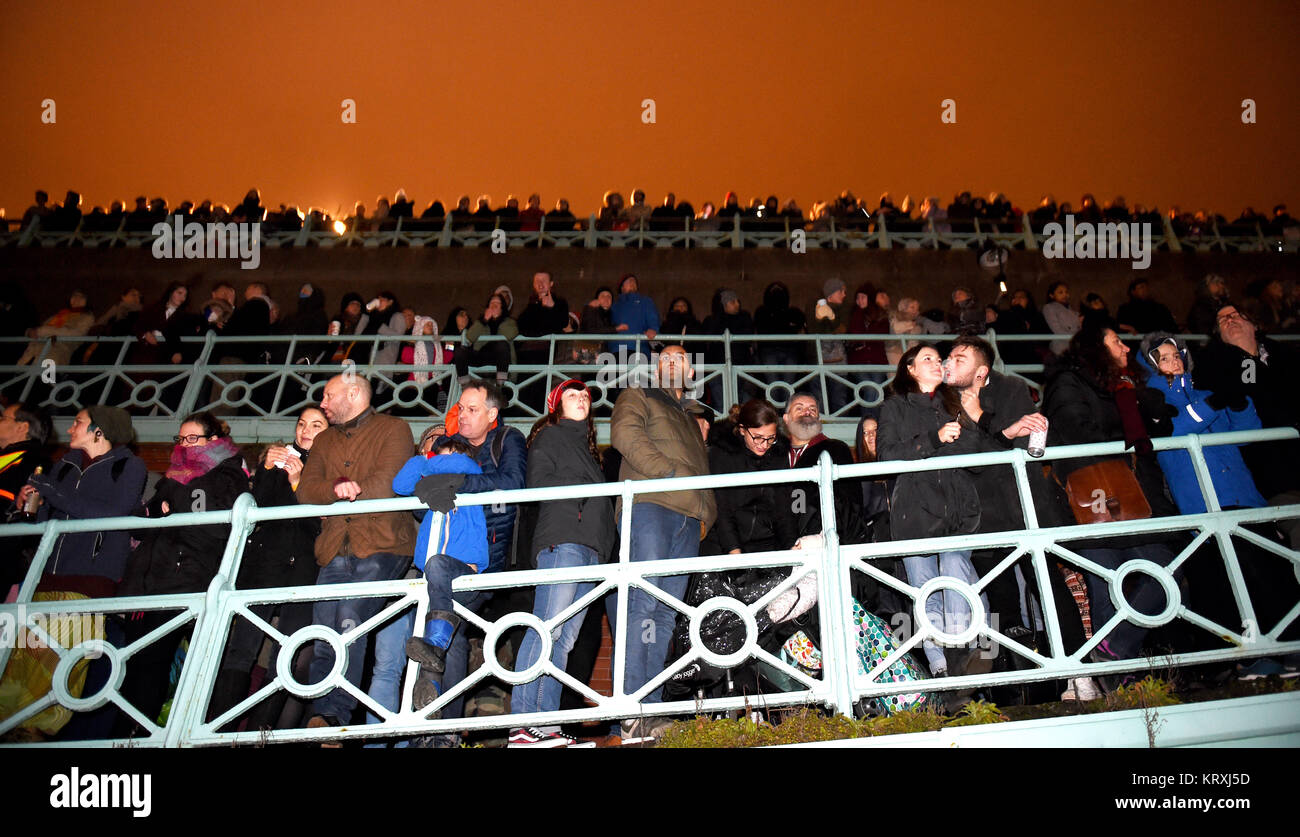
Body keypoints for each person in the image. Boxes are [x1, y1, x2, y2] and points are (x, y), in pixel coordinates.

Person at [1041, 325, 1182, 677]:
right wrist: (1129, 413)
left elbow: (1156, 436)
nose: (1124, 346)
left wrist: (1147, 409)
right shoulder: (1069, 383)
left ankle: (1114, 651)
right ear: (1095, 350)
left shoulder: (1126, 386)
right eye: (1115, 341)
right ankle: (1119, 682)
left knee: (1166, 575)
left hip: (1136, 495)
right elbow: (1077, 430)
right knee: (1106, 587)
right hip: (1094, 496)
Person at [114, 412, 250, 737]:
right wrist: (148, 511)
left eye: (193, 439)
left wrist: (172, 503)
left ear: (213, 441)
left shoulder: (227, 473)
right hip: (150, 582)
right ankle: (124, 736)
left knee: (154, 666)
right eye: (181, 439)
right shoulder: (173, 476)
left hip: (186, 580)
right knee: (133, 668)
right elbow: (151, 522)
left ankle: (141, 736)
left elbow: (208, 523)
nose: (184, 445)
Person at [296, 374, 416, 730]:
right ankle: (322, 712)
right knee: (323, 632)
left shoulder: (394, 428)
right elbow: (306, 491)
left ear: (353, 393)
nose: (323, 402)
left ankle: (334, 715)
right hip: (334, 547)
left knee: (350, 620)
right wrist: (337, 488)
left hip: (383, 543)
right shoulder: (324, 441)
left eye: (328, 395)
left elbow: (390, 482)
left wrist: (354, 489)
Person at [607, 345, 716, 735]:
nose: (675, 364)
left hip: (690, 517)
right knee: (643, 603)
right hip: (653, 504)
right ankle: (631, 707)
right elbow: (623, 433)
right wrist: (666, 473)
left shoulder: (688, 415)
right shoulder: (639, 394)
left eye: (683, 359)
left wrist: (706, 507)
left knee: (666, 613)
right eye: (667, 358)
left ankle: (650, 709)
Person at [876, 344, 996, 680]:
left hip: (958, 507)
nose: (937, 363)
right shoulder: (894, 406)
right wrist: (934, 438)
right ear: (910, 369)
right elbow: (885, 455)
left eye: (938, 358)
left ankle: (964, 647)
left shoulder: (954, 402)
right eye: (927, 358)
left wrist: (951, 437)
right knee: (924, 587)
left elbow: (976, 451)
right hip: (914, 511)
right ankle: (940, 667)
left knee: (955, 564)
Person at [507, 380, 615, 747]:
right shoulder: (551, 437)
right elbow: (538, 484)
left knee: (564, 640)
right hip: (564, 540)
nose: (582, 399)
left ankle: (546, 725)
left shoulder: (588, 449)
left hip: (589, 548)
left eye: (585, 395)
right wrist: (587, 490)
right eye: (573, 395)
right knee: (546, 631)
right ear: (555, 405)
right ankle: (524, 724)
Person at [414, 379, 527, 728]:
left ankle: (435, 699)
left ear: (492, 414)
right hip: (448, 547)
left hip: (487, 557)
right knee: (451, 627)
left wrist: (458, 485)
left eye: (472, 409)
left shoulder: (509, 439)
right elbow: (423, 503)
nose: (462, 415)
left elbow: (512, 485)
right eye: (460, 408)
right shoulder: (452, 447)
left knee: (441, 592)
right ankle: (443, 728)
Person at [208, 407, 328, 730]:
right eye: (302, 424)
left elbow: (319, 525)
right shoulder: (275, 461)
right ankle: (218, 729)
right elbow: (256, 511)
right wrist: (265, 469)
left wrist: (298, 482)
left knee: (284, 656)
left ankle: (260, 733)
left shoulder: (330, 466)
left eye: (316, 425)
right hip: (264, 565)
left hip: (303, 570)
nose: (306, 430)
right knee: (240, 651)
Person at [393, 436, 488, 713]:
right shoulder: (432, 492)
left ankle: (435, 647)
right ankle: (432, 695)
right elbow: (399, 485)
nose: (438, 461)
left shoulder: (469, 476)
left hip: (463, 574)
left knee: (437, 564)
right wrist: (422, 459)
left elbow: (462, 463)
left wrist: (431, 464)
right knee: (431, 641)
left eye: (441, 454)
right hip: (435, 580)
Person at [17, 291, 94, 367]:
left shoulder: (87, 317)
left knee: (43, 377)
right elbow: (39, 328)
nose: (77, 299)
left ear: (87, 301)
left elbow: (78, 334)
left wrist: (45, 331)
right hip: (31, 357)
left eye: (81, 297)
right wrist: (29, 332)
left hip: (54, 356)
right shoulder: (60, 314)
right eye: (74, 296)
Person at [455, 292, 517, 386]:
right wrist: (483, 321)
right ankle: (464, 384)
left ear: (502, 308)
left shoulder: (510, 322)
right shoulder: (480, 322)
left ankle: (500, 383)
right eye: (491, 303)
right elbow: (469, 337)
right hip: (481, 357)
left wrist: (497, 319)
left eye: (497, 304)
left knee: (502, 345)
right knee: (460, 351)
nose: (494, 306)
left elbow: (510, 334)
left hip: (499, 360)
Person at [609, 274, 660, 357]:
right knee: (619, 368)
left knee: (638, 368)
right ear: (621, 288)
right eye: (628, 281)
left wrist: (653, 329)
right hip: (617, 349)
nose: (632, 282)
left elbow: (653, 318)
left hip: (640, 348)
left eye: (634, 281)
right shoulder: (614, 306)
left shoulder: (645, 301)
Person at [1042, 281, 1080, 355]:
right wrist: (1074, 338)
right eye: (1060, 292)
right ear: (1051, 295)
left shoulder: (1072, 310)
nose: (1065, 295)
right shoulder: (1049, 308)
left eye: (1066, 292)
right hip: (1060, 347)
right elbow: (1056, 329)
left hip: (1074, 347)